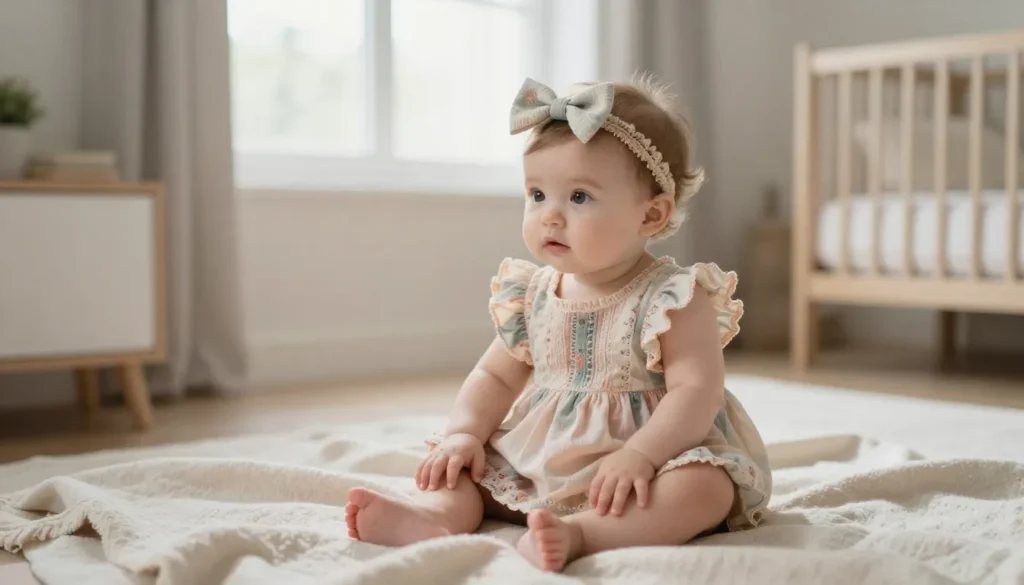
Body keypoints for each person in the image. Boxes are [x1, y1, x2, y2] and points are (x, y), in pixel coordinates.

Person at [345, 76, 772, 572]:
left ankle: (584, 534)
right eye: (537, 194)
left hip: (645, 465)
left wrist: (642, 455)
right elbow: (495, 376)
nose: (550, 216)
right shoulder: (533, 294)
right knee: (466, 462)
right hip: (540, 458)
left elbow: (697, 391)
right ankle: (437, 517)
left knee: (704, 488)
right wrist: (463, 432)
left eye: (579, 198)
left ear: (651, 215)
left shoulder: (672, 297)